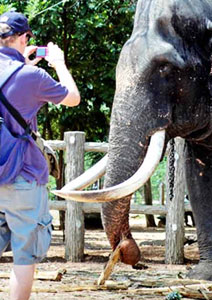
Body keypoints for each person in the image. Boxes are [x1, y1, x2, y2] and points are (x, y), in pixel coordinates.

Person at [0, 11, 80, 300]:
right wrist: (58, 64)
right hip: (22, 177)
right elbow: (72, 98)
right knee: (23, 258)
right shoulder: (32, 76)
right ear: (23, 38)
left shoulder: (24, 72)